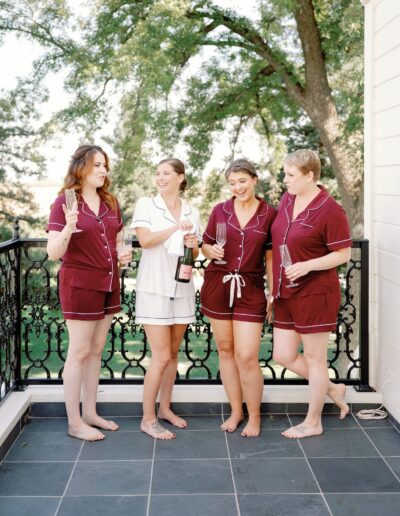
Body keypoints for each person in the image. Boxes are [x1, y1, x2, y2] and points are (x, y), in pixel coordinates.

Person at [47, 144, 132, 441]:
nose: (103, 170)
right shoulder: (64, 202)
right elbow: (53, 253)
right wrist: (69, 228)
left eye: (105, 165)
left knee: (96, 350)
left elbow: (118, 237)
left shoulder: (110, 202)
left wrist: (123, 252)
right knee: (80, 352)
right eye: (96, 165)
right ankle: (74, 422)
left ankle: (90, 413)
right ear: (81, 167)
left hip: (109, 284)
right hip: (80, 285)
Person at [271, 149, 352, 439]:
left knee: (316, 359)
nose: (285, 180)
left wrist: (306, 266)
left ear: (309, 175)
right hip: (285, 292)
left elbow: (343, 253)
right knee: (282, 355)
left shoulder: (331, 210)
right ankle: (331, 388)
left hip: (316, 293)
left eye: (290, 175)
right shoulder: (287, 199)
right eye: (285, 173)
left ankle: (313, 422)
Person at [201, 159, 276, 437]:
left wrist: (273, 291)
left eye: (242, 181)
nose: (237, 187)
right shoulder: (220, 210)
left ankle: (254, 416)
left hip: (252, 288)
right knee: (226, 350)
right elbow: (205, 243)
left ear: (254, 179)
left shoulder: (270, 213)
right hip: (218, 285)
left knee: (246, 356)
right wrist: (209, 252)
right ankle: (236, 411)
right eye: (232, 183)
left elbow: (270, 257)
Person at [131, 158, 201, 440]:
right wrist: (175, 228)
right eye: (157, 173)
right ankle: (148, 419)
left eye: (166, 174)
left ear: (180, 178)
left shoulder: (191, 210)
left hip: (181, 288)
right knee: (160, 357)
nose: (160, 178)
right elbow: (145, 241)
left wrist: (194, 245)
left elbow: (193, 254)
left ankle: (165, 409)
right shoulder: (146, 205)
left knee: (172, 355)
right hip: (154, 288)